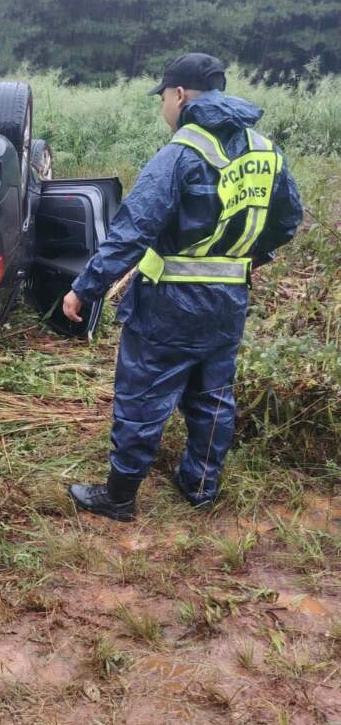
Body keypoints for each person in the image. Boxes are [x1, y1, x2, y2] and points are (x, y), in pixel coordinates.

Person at [63, 53, 303, 522]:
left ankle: (119, 497)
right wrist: (246, 254)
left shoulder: (181, 152)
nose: (163, 109)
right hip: (227, 303)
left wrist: (84, 288)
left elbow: (132, 231)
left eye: (163, 99)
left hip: (168, 305)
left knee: (143, 396)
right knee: (213, 395)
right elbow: (288, 219)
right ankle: (200, 486)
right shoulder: (265, 150)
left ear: (178, 95)